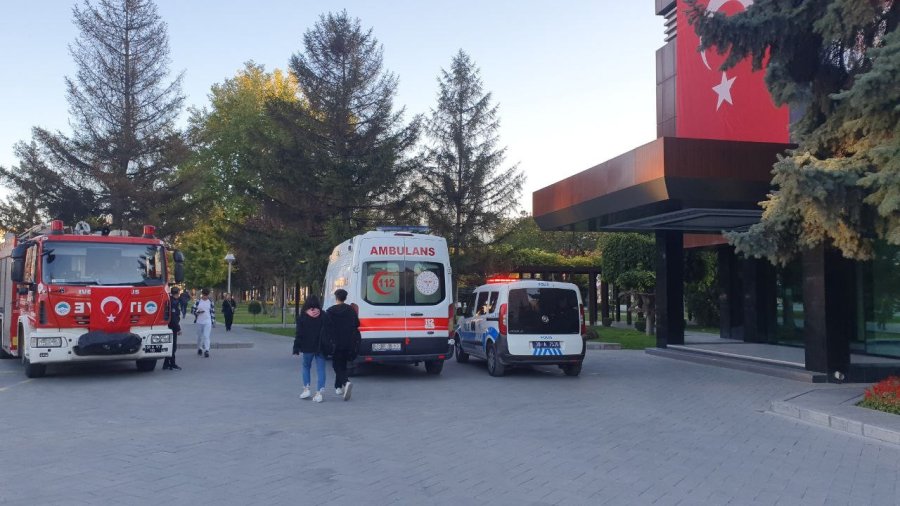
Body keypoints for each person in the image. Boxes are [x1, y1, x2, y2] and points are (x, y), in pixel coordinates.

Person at [292, 295, 332, 403]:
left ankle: (306, 389)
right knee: (321, 369)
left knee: (306, 366)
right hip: (321, 347)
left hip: (307, 347)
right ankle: (319, 393)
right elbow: (329, 331)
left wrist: (296, 347)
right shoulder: (324, 315)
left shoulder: (302, 316)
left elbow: (299, 333)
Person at [326, 289, 360, 401]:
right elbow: (357, 324)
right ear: (345, 298)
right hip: (349, 342)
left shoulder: (330, 311)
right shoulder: (351, 310)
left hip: (336, 342)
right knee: (343, 364)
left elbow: (326, 327)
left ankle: (346, 382)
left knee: (336, 365)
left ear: (336, 297)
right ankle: (338, 387)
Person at [163, 286, 183, 370]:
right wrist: (178, 328)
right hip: (172, 326)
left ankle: (166, 363)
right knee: (173, 346)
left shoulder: (170, 300)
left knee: (170, 345)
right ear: (177, 293)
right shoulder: (173, 302)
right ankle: (172, 364)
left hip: (169, 326)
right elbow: (174, 317)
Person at [192, 288, 215, 357]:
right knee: (199, 336)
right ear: (202, 294)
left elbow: (212, 312)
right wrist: (197, 312)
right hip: (199, 321)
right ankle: (199, 348)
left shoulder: (210, 302)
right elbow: (192, 310)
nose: (205, 297)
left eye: (206, 295)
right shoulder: (198, 301)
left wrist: (213, 321)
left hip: (208, 321)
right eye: (204, 295)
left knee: (206, 336)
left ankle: (207, 350)